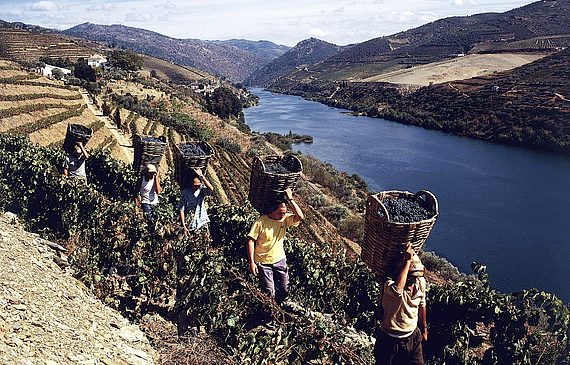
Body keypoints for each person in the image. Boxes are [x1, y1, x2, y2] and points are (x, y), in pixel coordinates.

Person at [247, 188, 304, 324]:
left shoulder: (284, 220)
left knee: (284, 290)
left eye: (284, 213)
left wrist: (290, 199)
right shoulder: (260, 222)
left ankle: (275, 307)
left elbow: (300, 217)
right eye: (280, 213)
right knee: (269, 291)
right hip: (263, 262)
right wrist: (252, 263)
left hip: (280, 261)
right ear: (272, 211)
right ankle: (268, 318)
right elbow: (250, 241)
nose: (283, 215)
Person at [375, 244, 428, 365]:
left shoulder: (420, 282)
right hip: (389, 340)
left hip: (413, 338)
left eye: (415, 277)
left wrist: (424, 329)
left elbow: (422, 304)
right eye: (410, 278)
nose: (413, 281)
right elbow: (397, 290)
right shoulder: (389, 285)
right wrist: (407, 261)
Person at [177, 167, 214, 236]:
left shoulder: (201, 190)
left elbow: (211, 189)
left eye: (198, 185)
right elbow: (181, 209)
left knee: (205, 242)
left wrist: (202, 177)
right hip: (191, 223)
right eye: (195, 186)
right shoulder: (185, 193)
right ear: (191, 184)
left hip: (202, 221)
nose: (197, 187)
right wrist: (184, 226)